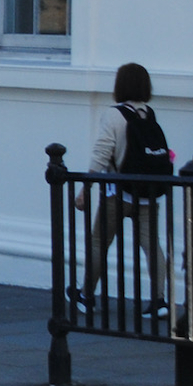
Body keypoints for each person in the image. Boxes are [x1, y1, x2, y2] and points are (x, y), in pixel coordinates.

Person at [78, 63, 170, 318]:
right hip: (148, 192)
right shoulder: (148, 114)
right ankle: (159, 300)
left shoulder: (114, 115)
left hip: (116, 193)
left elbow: (102, 152)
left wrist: (86, 186)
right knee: (152, 246)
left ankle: (86, 295)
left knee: (99, 242)